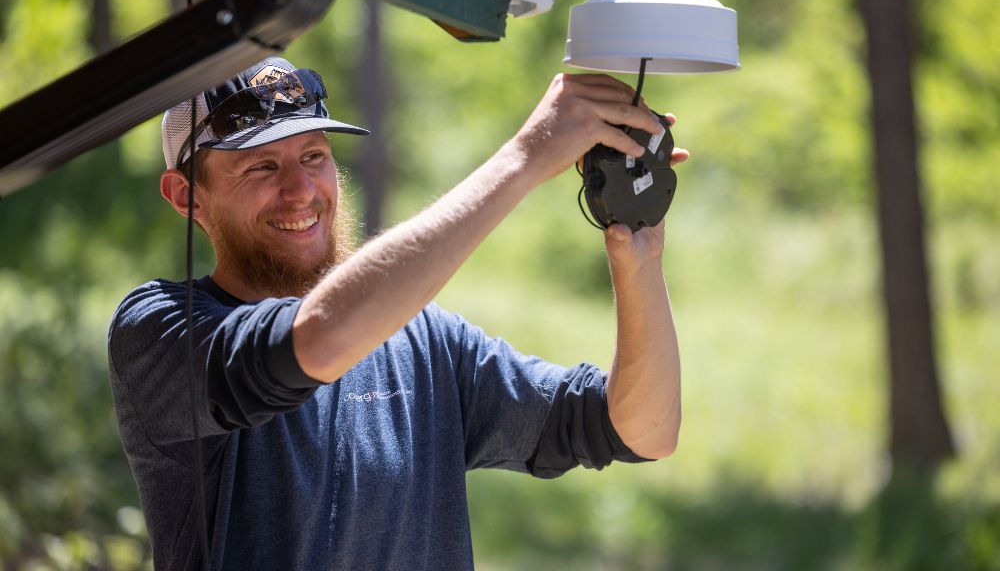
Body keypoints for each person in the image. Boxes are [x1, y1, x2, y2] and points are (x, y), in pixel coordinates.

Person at [108, 56, 686, 570]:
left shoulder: (422, 338)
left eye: (314, 156)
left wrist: (639, 250)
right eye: (261, 167)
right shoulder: (159, 328)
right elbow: (315, 341)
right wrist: (526, 156)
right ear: (187, 196)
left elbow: (643, 430)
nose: (302, 190)